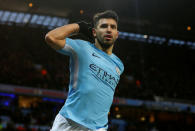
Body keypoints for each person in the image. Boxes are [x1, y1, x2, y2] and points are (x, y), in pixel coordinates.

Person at [45, 10, 124, 131]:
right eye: (103, 26)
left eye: (112, 27)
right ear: (94, 32)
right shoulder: (82, 47)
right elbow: (51, 37)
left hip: (99, 128)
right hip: (69, 122)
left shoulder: (119, 64)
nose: (109, 30)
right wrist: (79, 27)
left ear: (117, 34)